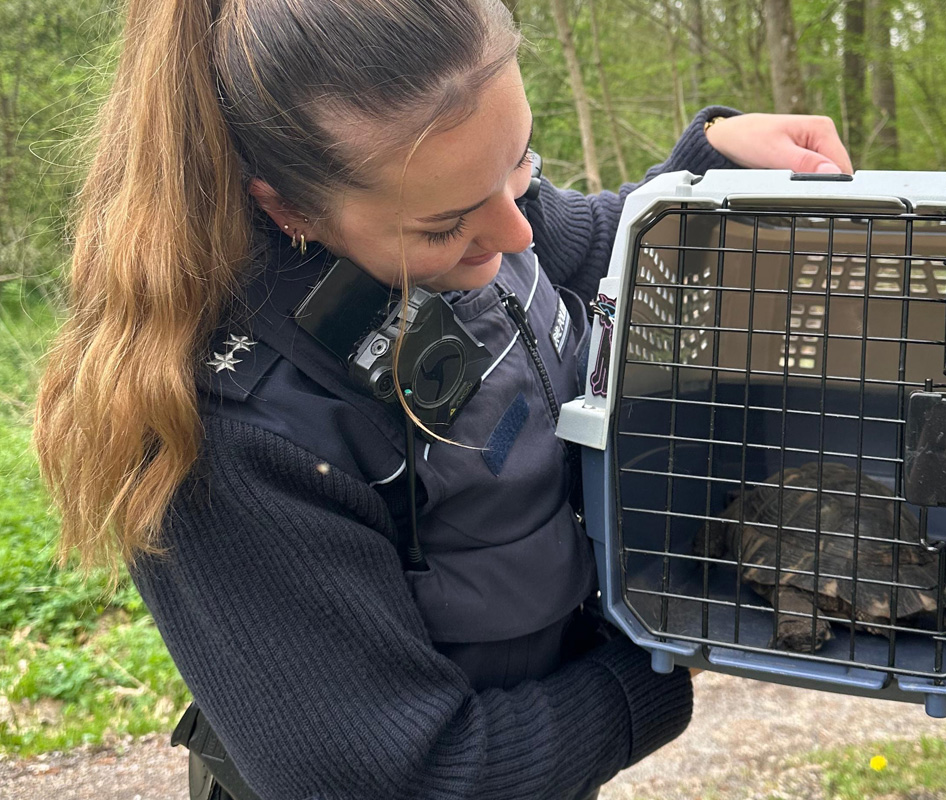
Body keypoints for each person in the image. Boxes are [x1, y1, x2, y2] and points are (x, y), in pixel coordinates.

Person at [32, 1, 853, 798]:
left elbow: (594, 247)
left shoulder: (464, 185)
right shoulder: (232, 430)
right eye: (444, 227)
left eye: (521, 160)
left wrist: (705, 165)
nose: (517, 231)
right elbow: (410, 774)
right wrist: (660, 654)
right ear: (287, 206)